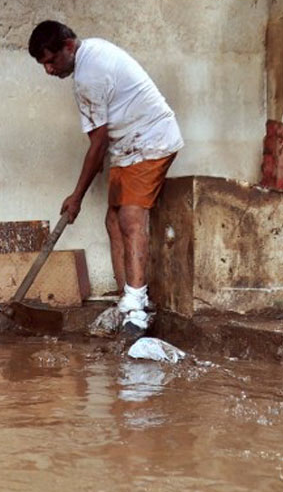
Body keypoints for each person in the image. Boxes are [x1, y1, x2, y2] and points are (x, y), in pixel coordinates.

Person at [28, 20, 183, 339]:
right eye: (43, 63)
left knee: (130, 218)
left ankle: (138, 312)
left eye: (51, 61)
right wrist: (93, 168)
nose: (48, 70)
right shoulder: (89, 57)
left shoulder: (89, 73)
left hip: (150, 140)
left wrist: (77, 197)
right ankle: (126, 302)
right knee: (113, 221)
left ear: (68, 46)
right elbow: (98, 143)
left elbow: (98, 144)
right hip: (127, 146)